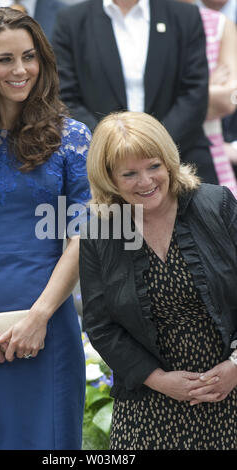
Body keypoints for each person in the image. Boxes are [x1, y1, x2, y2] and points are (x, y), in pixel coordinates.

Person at [0, 7, 91, 450]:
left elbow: (82, 236)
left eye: (29, 56)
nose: (20, 69)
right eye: (4, 59)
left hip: (51, 321)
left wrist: (40, 316)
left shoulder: (74, 138)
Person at [79, 111, 237, 450]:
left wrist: (235, 367)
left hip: (230, 391)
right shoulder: (100, 233)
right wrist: (160, 381)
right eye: (129, 174)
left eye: (153, 166)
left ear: (168, 161)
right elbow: (100, 324)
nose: (146, 181)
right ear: (110, 179)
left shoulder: (216, 204)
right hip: (148, 402)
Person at [52, 0, 218, 184]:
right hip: (101, 163)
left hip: (180, 153)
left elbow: (195, 92)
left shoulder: (185, 16)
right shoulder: (72, 20)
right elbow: (65, 96)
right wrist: (111, 146)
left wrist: (155, 146)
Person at [181, 0, 237, 197]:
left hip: (211, 156)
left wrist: (184, 92)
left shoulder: (218, 24)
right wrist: (207, 87)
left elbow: (228, 100)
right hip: (147, 157)